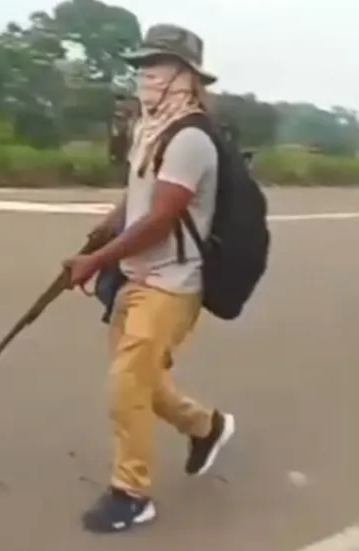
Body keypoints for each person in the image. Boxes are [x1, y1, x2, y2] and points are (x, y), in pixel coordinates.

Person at [61, 24, 235, 533]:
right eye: (142, 65)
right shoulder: (152, 128)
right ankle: (205, 427)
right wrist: (104, 231)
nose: (146, 75)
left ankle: (132, 492)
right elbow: (140, 197)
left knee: (126, 384)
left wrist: (96, 261)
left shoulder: (191, 138)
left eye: (158, 65)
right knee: (142, 379)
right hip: (136, 275)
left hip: (172, 283)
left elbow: (161, 218)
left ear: (187, 76)